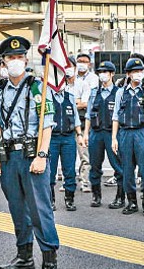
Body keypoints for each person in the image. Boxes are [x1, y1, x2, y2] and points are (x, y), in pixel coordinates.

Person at [0, 36, 59, 269]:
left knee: (40, 211)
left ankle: (49, 264)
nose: (16, 61)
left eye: (19, 57)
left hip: (32, 156)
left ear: (26, 60)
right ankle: (24, 256)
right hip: (9, 156)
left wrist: (42, 155)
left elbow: (47, 125)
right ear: (3, 62)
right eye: (11, 58)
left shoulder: (38, 86)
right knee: (17, 209)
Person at [112, 58, 144, 216]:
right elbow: (115, 116)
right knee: (127, 168)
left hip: (143, 131)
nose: (138, 74)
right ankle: (131, 202)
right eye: (135, 71)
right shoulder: (121, 92)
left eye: (140, 71)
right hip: (125, 132)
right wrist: (114, 138)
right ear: (128, 74)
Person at [84, 61, 123, 209]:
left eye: (106, 72)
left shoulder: (118, 92)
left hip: (111, 134)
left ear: (112, 74)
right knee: (94, 166)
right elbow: (88, 114)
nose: (103, 75)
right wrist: (86, 134)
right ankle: (96, 195)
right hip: (96, 133)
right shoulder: (94, 92)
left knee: (118, 166)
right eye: (100, 72)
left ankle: (120, 197)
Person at [49, 78, 84, 211]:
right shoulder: (48, 97)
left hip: (68, 138)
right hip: (52, 138)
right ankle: (50, 199)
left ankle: (69, 198)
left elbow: (75, 118)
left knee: (69, 170)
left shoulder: (70, 97)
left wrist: (79, 135)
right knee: (50, 171)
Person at [65, 57, 92, 193]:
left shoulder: (82, 84)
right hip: (64, 126)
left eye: (69, 66)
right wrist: (77, 102)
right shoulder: (60, 86)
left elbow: (85, 104)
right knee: (66, 157)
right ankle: (67, 182)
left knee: (84, 155)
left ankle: (84, 181)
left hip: (80, 125)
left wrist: (71, 104)